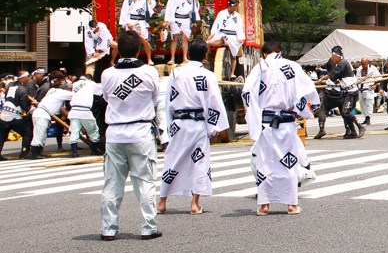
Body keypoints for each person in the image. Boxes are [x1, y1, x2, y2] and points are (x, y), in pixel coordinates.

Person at [242, 41, 320, 215]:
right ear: (280, 52)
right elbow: (307, 89)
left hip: (265, 123)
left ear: (264, 54)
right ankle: (291, 204)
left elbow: (247, 92)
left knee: (264, 163)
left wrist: (254, 116)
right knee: (289, 162)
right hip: (286, 121)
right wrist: (305, 109)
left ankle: (264, 205)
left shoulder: (260, 67)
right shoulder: (291, 66)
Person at [99, 31, 161, 241]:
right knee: (145, 181)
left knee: (112, 183)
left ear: (117, 51)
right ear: (139, 50)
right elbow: (154, 100)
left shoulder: (108, 73)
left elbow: (106, 98)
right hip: (140, 132)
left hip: (115, 132)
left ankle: (108, 229)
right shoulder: (149, 72)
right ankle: (148, 227)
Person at [157, 41, 228, 216]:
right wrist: (214, 127)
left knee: (172, 159)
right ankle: (194, 203)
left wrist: (169, 123)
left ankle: (162, 202)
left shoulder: (176, 73)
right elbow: (213, 101)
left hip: (179, 122)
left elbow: (169, 100)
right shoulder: (207, 75)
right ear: (205, 56)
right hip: (198, 123)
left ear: (188, 54)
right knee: (200, 161)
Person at [29, 73, 72, 158]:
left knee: (43, 134)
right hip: (42, 113)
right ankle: (34, 153)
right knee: (39, 134)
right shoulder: (60, 92)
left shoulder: (51, 90)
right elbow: (74, 95)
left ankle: (39, 151)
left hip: (42, 113)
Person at [313, 46, 348, 139]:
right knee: (343, 110)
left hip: (333, 90)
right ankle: (348, 129)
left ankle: (321, 129)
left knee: (323, 109)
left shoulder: (334, 61)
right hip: (342, 90)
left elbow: (331, 73)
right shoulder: (345, 62)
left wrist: (321, 79)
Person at [162, 0, 199, 66]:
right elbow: (169, 9)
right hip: (176, 18)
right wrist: (167, 20)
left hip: (186, 18)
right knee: (175, 38)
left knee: (185, 38)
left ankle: (185, 57)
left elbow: (194, 7)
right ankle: (172, 58)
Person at [119, 0, 155, 65]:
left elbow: (150, 6)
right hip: (132, 20)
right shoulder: (128, 0)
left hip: (141, 21)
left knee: (145, 40)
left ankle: (149, 59)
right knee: (131, 41)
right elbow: (124, 12)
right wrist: (127, 22)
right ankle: (131, 59)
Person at [208, 0, 245, 79]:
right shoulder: (222, 13)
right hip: (222, 33)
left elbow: (240, 27)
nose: (235, 8)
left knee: (233, 54)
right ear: (229, 5)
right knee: (209, 42)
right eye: (234, 6)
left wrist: (240, 37)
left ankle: (232, 73)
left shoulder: (237, 16)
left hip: (233, 36)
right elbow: (216, 25)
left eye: (236, 6)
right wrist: (212, 34)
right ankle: (205, 59)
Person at [0, 72, 33, 160]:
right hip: (15, 116)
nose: (28, 79)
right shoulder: (22, 89)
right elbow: (24, 104)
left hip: (4, 114)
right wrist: (29, 108)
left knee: (2, 136)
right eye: (27, 77)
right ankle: (24, 152)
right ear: (22, 78)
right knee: (27, 134)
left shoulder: (9, 87)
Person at [68, 75, 102, 158]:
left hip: (74, 111)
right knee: (93, 131)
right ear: (90, 79)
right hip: (85, 111)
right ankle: (94, 150)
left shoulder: (75, 84)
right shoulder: (90, 83)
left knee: (74, 131)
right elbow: (101, 91)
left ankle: (74, 152)